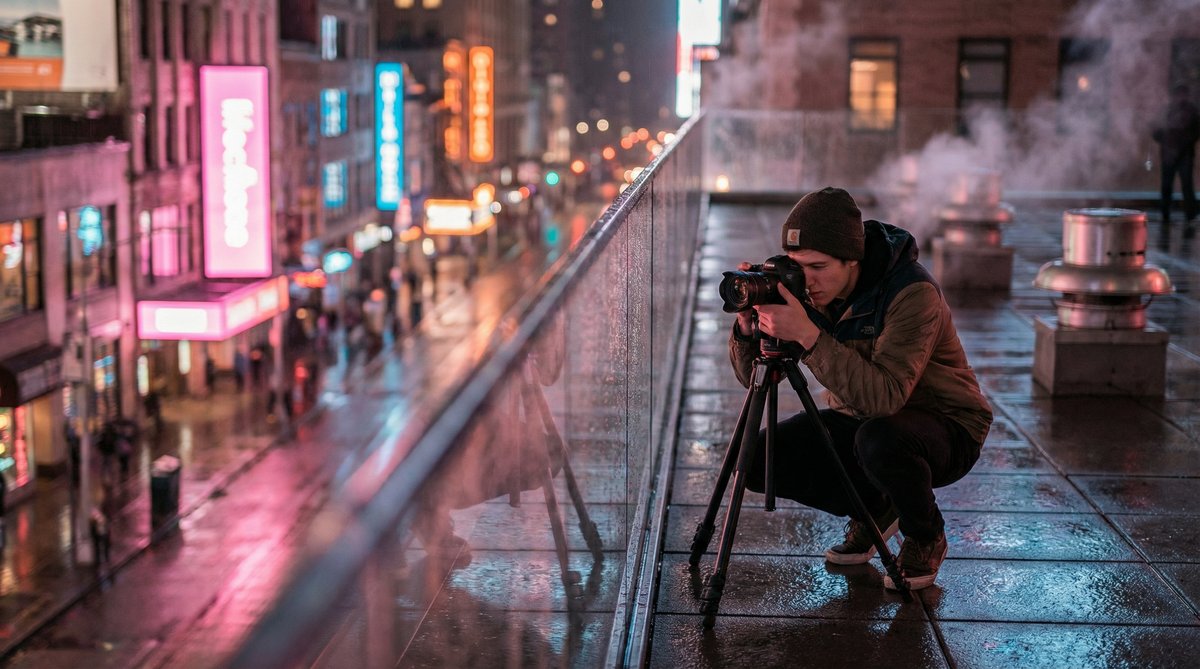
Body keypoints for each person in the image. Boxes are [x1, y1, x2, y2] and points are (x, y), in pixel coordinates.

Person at [728, 186, 993, 590]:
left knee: (879, 440)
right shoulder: (811, 289)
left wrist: (809, 335)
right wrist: (750, 331)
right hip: (862, 418)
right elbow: (759, 378)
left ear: (853, 260)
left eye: (818, 267)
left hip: (946, 426)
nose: (807, 281)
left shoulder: (911, 293)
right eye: (799, 266)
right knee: (756, 457)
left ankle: (925, 535)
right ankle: (877, 509)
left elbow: (885, 399)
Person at [1152, 84, 1200, 233]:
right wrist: (1165, 141)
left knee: (1186, 186)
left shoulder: (1191, 111)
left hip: (1184, 154)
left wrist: (1185, 142)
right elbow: (1156, 129)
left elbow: (1197, 131)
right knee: (1167, 185)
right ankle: (1165, 213)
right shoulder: (1167, 110)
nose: (1181, 97)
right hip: (1169, 154)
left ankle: (1190, 216)